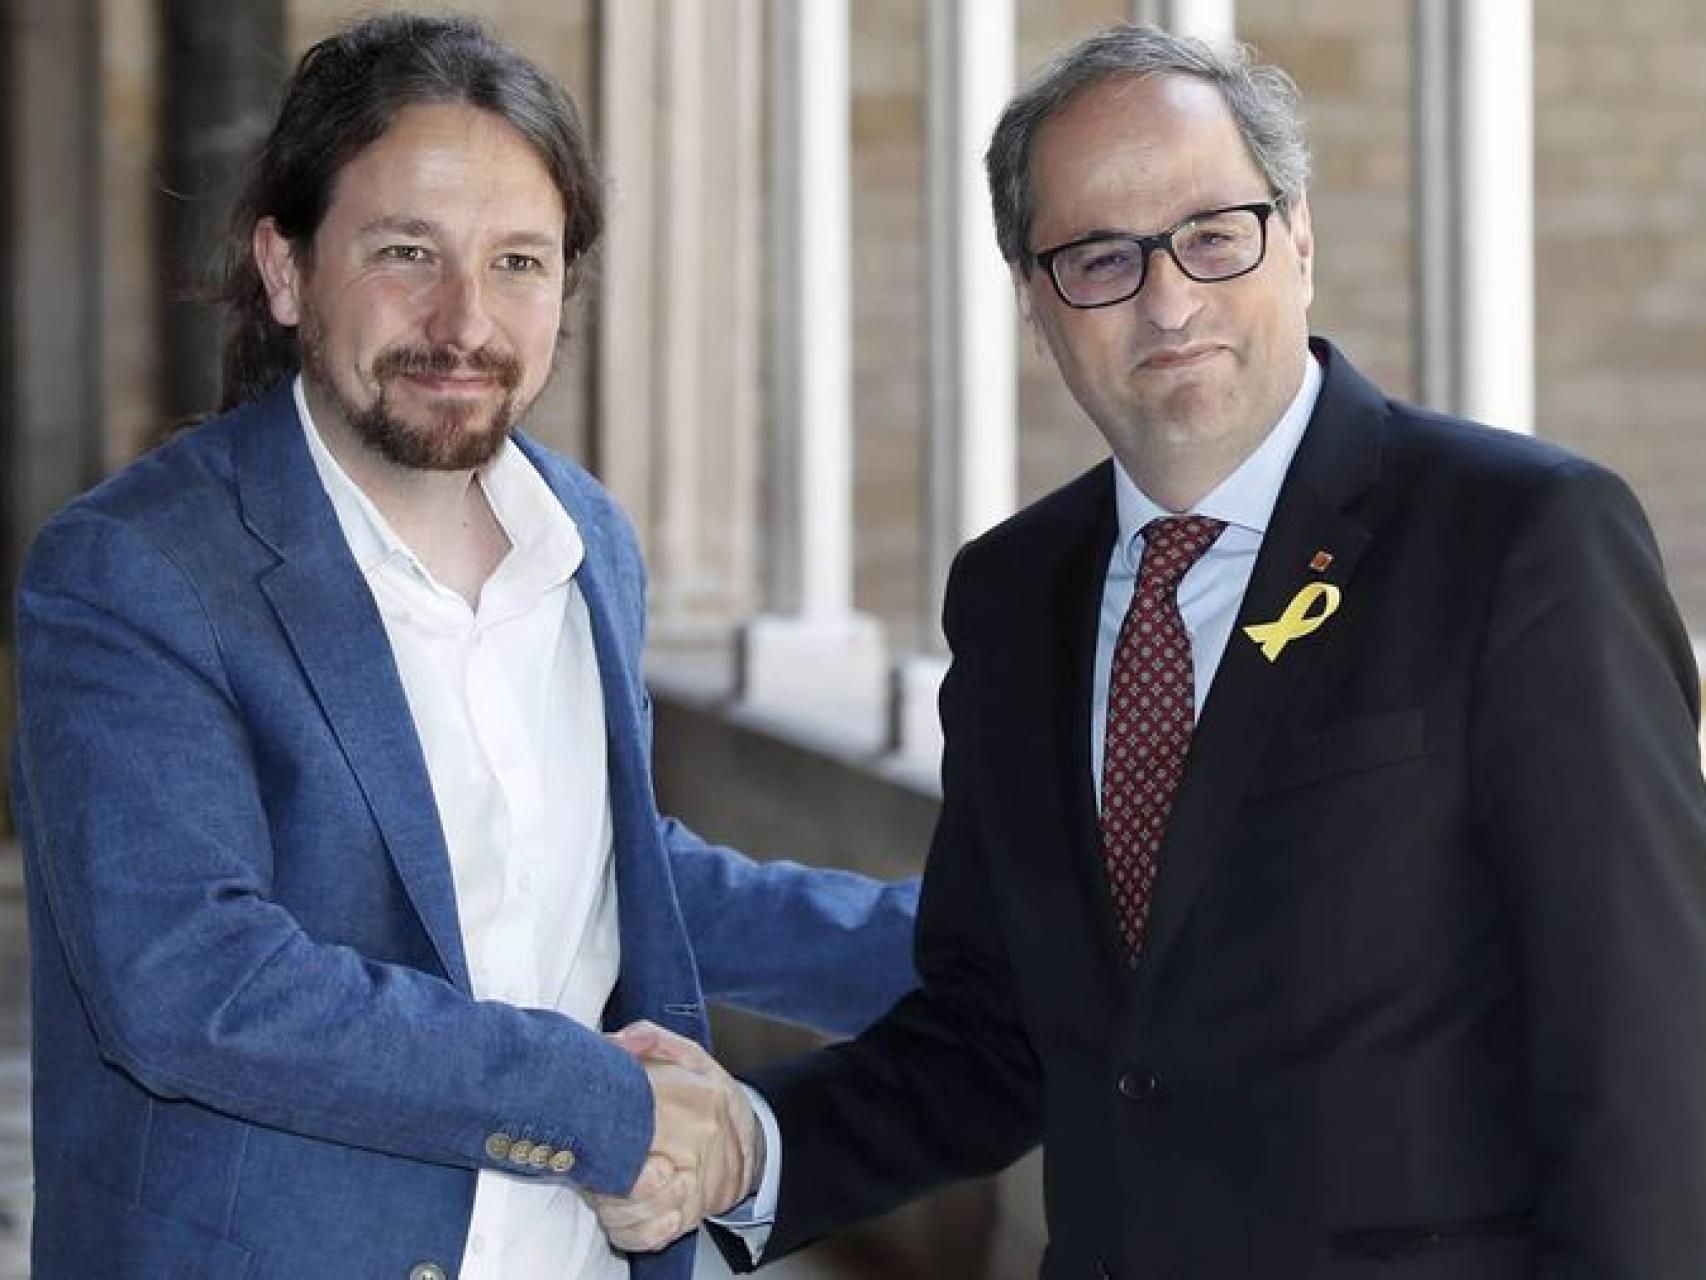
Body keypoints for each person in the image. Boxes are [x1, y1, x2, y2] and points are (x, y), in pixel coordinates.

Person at [650, 22, 1703, 1278]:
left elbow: (1643, 1055)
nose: (1167, 300)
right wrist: (747, 1148)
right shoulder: (1010, 595)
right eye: (1100, 257)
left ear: (1297, 235)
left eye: (1212, 234)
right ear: (1034, 302)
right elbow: (996, 1032)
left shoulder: (1518, 538)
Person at [8, 12, 916, 1280]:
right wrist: (607, 1106)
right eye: (406, 252)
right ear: (287, 269)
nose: (464, 320)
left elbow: (597, 877)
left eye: (518, 263)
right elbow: (195, 982)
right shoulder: (137, 569)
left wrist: (985, 948)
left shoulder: (585, 540)